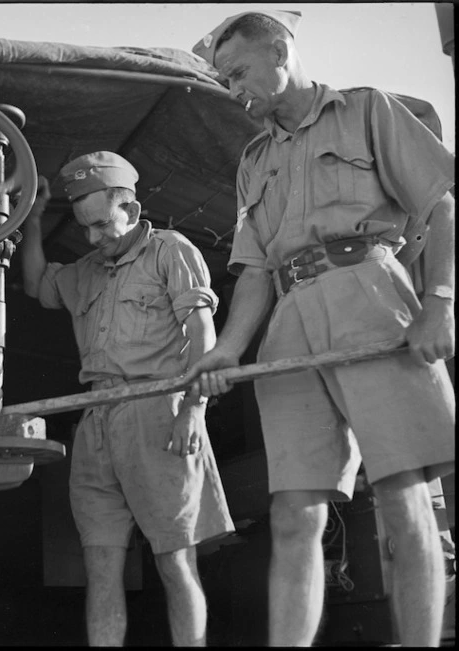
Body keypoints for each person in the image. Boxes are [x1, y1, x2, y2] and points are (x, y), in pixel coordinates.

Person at [187, 9, 455, 647]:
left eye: (239, 72)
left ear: (282, 54)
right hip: (290, 316)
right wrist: (225, 350)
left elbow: (442, 202)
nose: (233, 89)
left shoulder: (366, 111)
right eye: (224, 80)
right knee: (293, 514)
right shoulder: (252, 160)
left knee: (401, 495)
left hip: (369, 294)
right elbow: (253, 270)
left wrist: (440, 300)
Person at [20, 151, 234, 646]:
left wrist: (193, 410)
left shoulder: (170, 250)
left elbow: (202, 335)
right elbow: (36, 283)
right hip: (96, 421)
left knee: (175, 561)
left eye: (100, 226)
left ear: (132, 211)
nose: (92, 238)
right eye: (84, 228)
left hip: (160, 413)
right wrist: (31, 220)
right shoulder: (88, 269)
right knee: (99, 569)